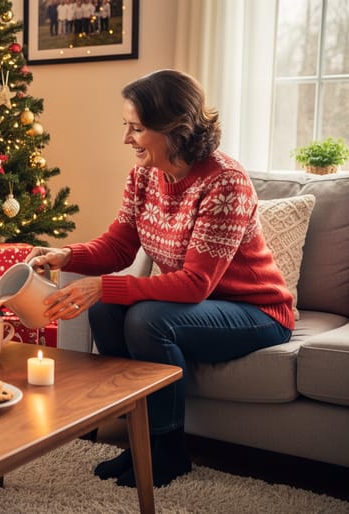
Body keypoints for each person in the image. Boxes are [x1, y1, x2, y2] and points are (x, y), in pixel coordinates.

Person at [27, 69, 294, 488]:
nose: (126, 139)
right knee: (105, 309)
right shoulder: (144, 176)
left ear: (174, 128)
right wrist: (66, 255)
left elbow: (195, 283)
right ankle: (138, 442)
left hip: (255, 311)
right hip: (200, 306)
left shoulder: (225, 181)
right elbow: (119, 245)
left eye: (136, 128)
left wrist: (105, 285)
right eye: (126, 126)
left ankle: (168, 451)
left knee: (147, 319)